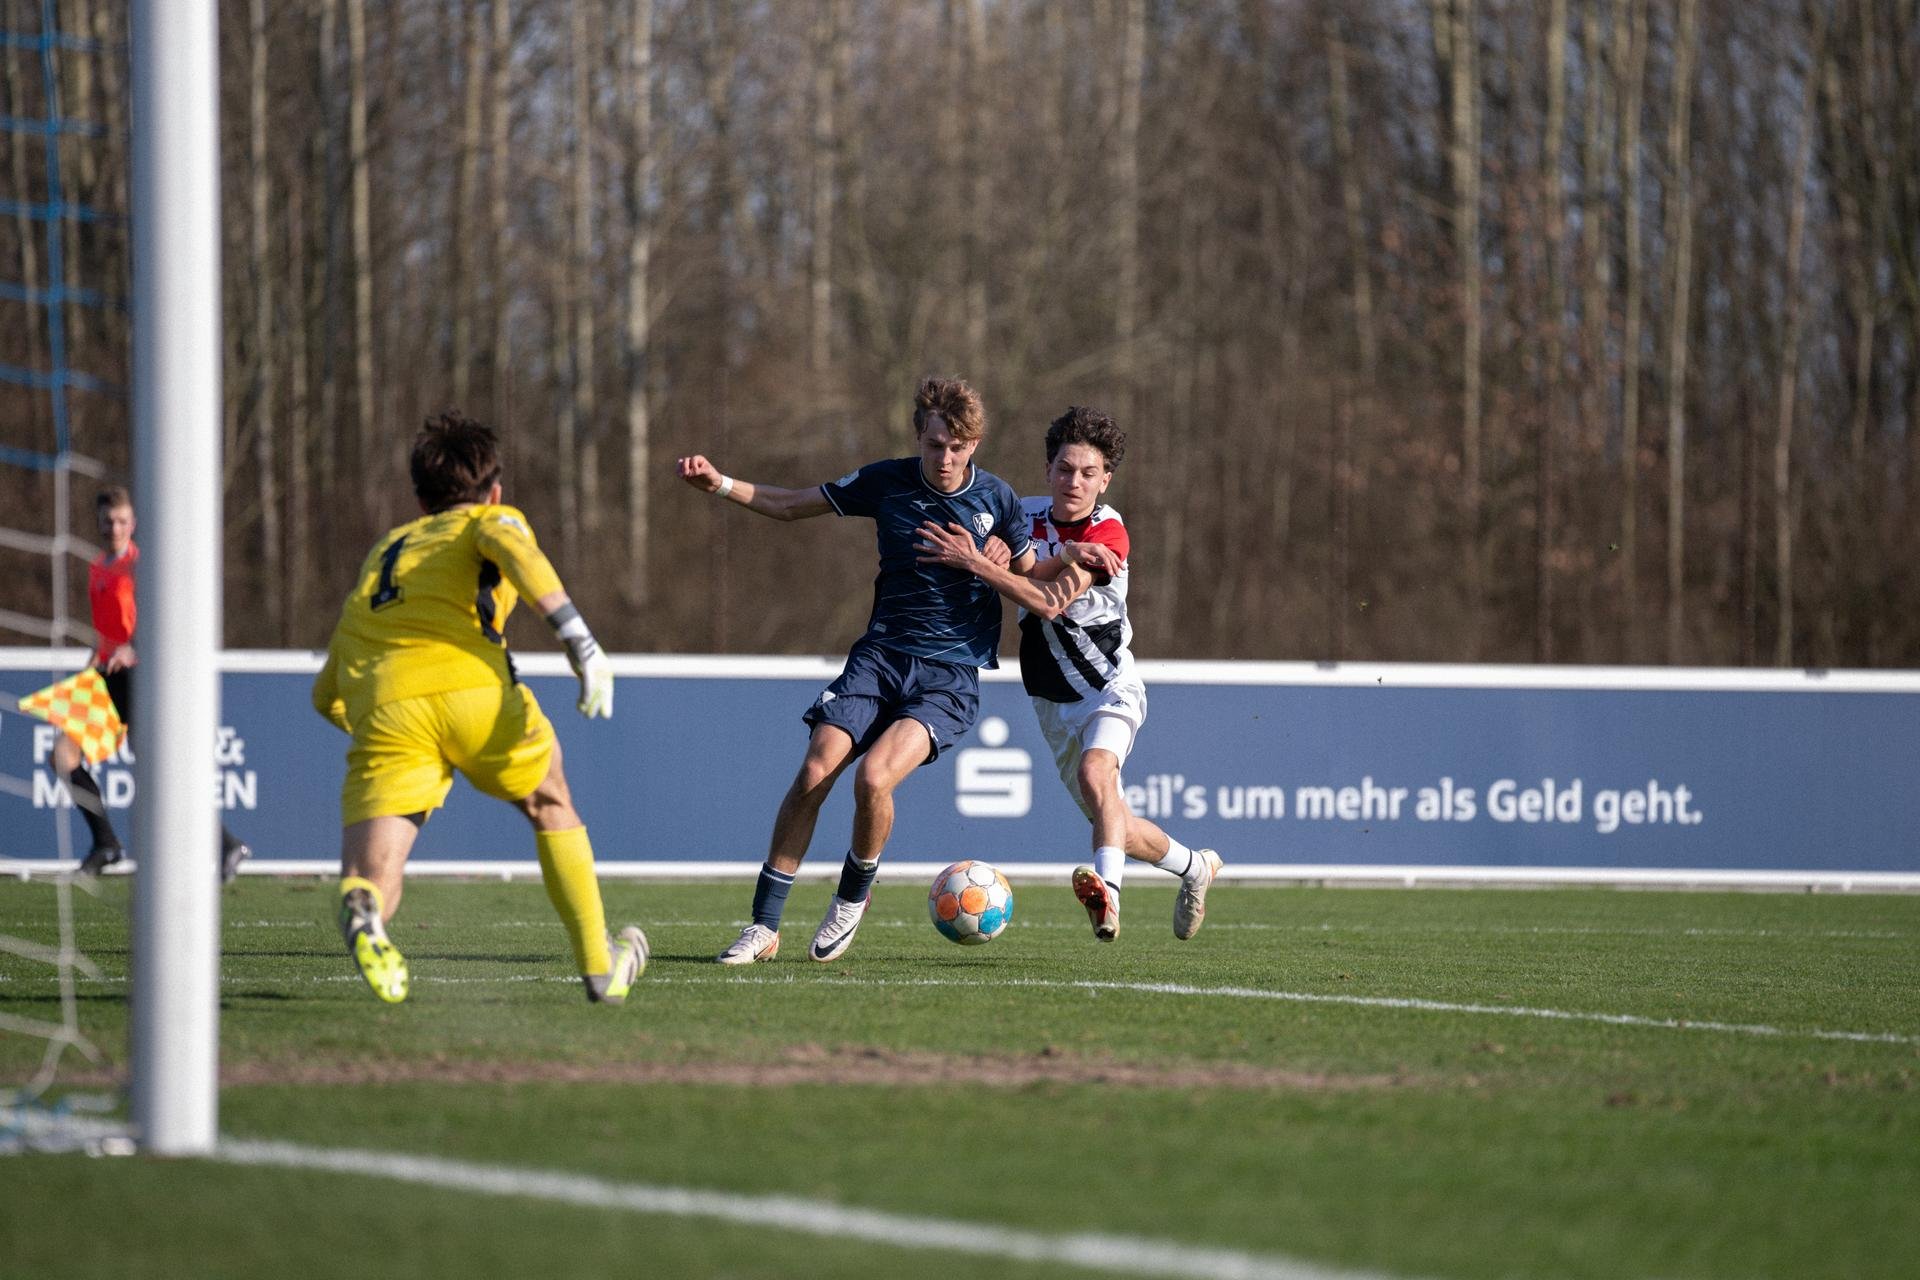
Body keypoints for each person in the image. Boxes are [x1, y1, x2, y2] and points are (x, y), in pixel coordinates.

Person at [676, 375, 1035, 964]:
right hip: (880, 656)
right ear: (920, 437)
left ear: (974, 445)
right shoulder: (886, 480)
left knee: (873, 780)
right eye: (935, 444)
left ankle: (851, 897)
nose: (945, 458)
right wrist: (719, 484)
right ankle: (764, 927)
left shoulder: (998, 500)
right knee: (816, 770)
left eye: (958, 446)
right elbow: (792, 506)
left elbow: (1033, 586)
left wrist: (992, 562)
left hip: (949, 675)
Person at [311, 412, 645, 1006]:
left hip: (388, 705)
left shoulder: (384, 552)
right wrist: (579, 640)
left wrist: (372, 720)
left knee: (373, 870)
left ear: (419, 499)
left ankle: (365, 913)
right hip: (474, 690)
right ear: (493, 490)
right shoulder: (495, 518)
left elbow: (326, 690)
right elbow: (515, 550)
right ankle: (601, 969)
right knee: (550, 799)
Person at [915, 405, 1223, 941]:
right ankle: (1195, 867)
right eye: (1063, 468)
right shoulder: (1019, 513)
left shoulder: (1108, 531)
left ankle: (1109, 898)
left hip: (1108, 687)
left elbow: (1051, 603)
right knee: (1115, 824)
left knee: (1096, 775)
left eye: (1087, 472)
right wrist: (991, 552)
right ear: (1047, 469)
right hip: (1051, 702)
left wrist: (984, 564)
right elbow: (998, 549)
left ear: (1106, 479)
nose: (1073, 481)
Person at [58, 486, 252, 883]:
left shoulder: (143, 567)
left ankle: (226, 844)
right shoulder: (97, 567)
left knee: (163, 770)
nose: (115, 528)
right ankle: (105, 843)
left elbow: (167, 617)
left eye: (122, 521)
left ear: (134, 524)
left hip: (143, 674)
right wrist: (96, 658)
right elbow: (106, 633)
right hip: (108, 676)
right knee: (63, 756)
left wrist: (134, 648)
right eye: (108, 521)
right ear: (98, 523)